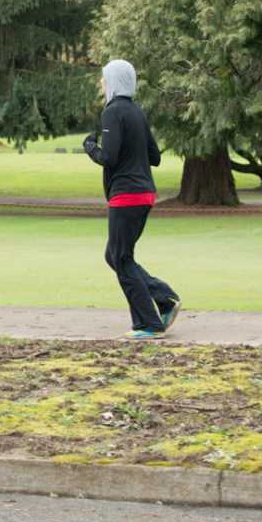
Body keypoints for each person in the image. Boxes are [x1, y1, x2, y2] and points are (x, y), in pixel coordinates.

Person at [83, 59, 182, 339]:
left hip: (126, 195)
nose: (101, 82)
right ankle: (163, 298)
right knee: (115, 255)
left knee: (122, 259)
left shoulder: (112, 111)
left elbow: (108, 157)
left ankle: (149, 324)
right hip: (145, 193)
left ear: (114, 81)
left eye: (104, 78)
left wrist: (90, 146)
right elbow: (155, 156)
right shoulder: (137, 111)